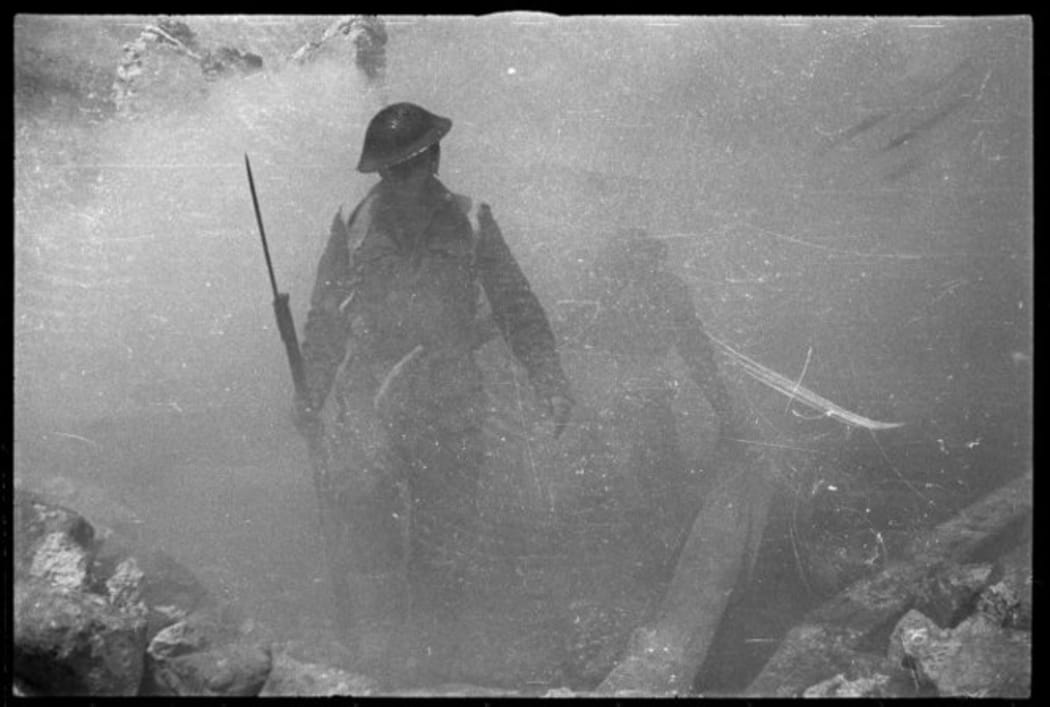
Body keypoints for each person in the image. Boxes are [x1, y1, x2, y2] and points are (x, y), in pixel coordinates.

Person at [291, 102, 573, 681]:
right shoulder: (353, 223)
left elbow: (515, 304)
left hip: (449, 403)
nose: (396, 182)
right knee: (367, 524)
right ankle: (375, 663)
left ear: (433, 161)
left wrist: (548, 377)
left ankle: (432, 664)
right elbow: (326, 319)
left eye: (407, 168)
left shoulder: (472, 220)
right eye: (387, 171)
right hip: (371, 403)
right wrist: (311, 392)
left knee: (444, 544)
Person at [558, 227, 752, 583]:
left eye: (648, 258)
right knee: (613, 491)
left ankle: (658, 561)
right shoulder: (601, 291)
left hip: (645, 400)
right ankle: (630, 563)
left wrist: (723, 408)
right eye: (633, 258)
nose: (643, 265)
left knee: (659, 478)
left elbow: (696, 352)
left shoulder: (667, 291)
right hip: (602, 403)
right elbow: (569, 338)